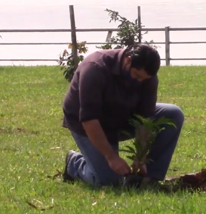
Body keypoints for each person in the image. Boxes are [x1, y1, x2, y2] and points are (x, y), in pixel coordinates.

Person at [60, 44, 185, 187]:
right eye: (137, 76)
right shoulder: (95, 68)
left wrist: (140, 156)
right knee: (110, 182)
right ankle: (74, 163)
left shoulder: (147, 77)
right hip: (90, 123)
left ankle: (148, 177)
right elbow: (89, 119)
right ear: (128, 60)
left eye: (144, 79)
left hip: (123, 116)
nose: (140, 81)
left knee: (173, 114)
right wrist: (111, 157)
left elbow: (144, 119)